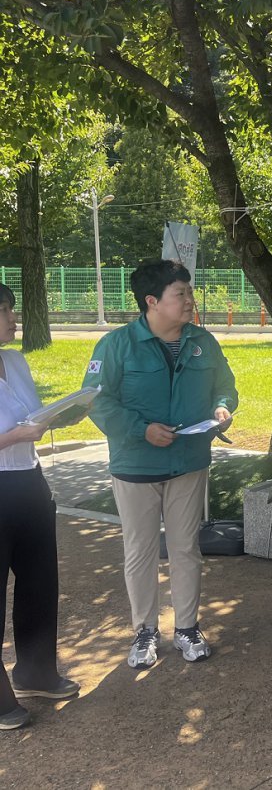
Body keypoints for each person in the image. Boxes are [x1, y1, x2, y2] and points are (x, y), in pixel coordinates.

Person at [83, 261, 237, 670]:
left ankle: (187, 627)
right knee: (141, 550)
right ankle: (144, 631)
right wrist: (141, 429)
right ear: (152, 301)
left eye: (189, 292)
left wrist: (223, 408)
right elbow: (96, 401)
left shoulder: (203, 341)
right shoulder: (116, 346)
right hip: (135, 464)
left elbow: (225, 387)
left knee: (186, 548)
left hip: (189, 462)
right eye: (180, 294)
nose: (190, 301)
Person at [0, 284, 80, 730]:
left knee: (39, 581)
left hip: (29, 483)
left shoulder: (15, 360)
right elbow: (14, 431)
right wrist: (14, 436)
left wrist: (63, 413)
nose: (14, 317)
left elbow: (32, 416)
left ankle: (35, 669)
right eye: (6, 310)